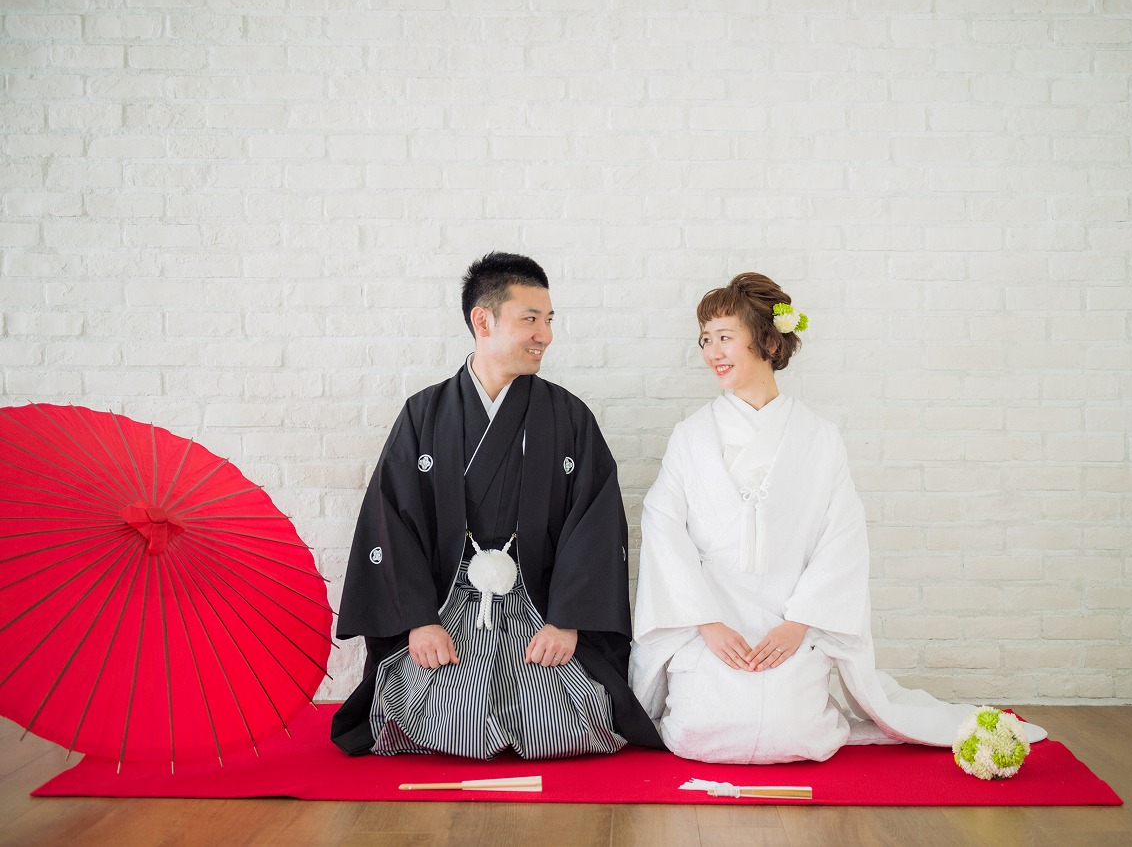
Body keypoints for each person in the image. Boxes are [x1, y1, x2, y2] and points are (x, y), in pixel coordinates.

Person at [628, 272, 1047, 764]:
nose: (711, 351)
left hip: (790, 623)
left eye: (724, 337)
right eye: (704, 339)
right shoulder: (690, 437)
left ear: (766, 339)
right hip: (713, 623)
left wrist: (800, 625)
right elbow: (662, 528)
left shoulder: (818, 437)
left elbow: (842, 537)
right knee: (706, 730)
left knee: (794, 727)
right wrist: (708, 624)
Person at [331, 252, 663, 759]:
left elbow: (595, 526)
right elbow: (390, 521)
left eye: (549, 320)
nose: (545, 334)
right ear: (481, 321)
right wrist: (419, 620)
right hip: (451, 606)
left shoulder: (567, 416)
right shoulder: (425, 413)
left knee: (568, 723)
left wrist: (568, 620)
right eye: (530, 319)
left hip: (539, 607)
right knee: (435, 718)